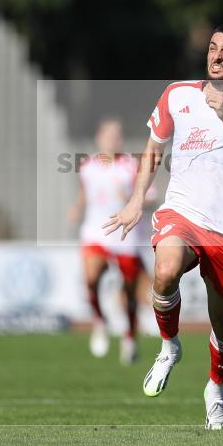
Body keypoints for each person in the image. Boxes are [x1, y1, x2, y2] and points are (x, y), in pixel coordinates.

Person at [103, 25, 223, 430]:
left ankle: (215, 389)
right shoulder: (177, 94)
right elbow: (153, 148)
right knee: (163, 272)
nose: (217, 56)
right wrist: (134, 199)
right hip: (181, 212)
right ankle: (169, 346)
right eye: (213, 48)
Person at [69, 118, 153, 365]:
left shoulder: (131, 165)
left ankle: (129, 337)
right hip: (95, 231)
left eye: (117, 135)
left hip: (125, 234)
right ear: (99, 138)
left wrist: (131, 198)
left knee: (130, 290)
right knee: (91, 277)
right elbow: (85, 193)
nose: (113, 140)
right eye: (108, 135)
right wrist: (77, 206)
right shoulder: (87, 166)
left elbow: (150, 197)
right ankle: (99, 320)